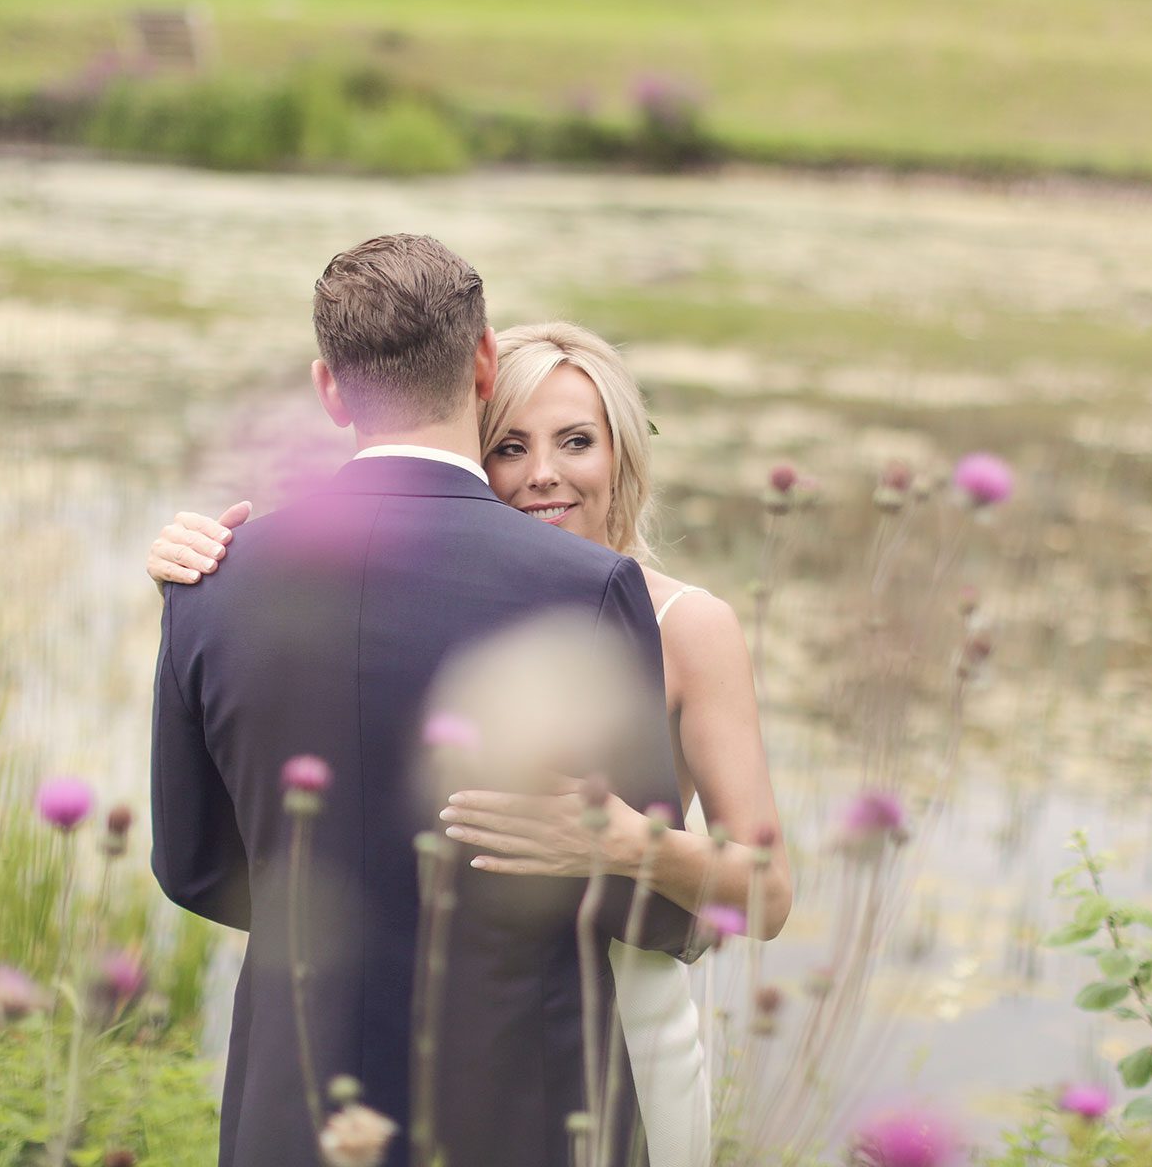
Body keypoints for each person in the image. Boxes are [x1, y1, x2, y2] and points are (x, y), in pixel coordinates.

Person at [150, 320, 793, 1166]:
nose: (544, 474)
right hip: (462, 1029)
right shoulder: (446, 604)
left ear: (622, 454)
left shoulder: (690, 626)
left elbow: (768, 892)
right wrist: (197, 568)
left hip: (622, 1019)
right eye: (510, 447)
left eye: (576, 441)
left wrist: (625, 841)